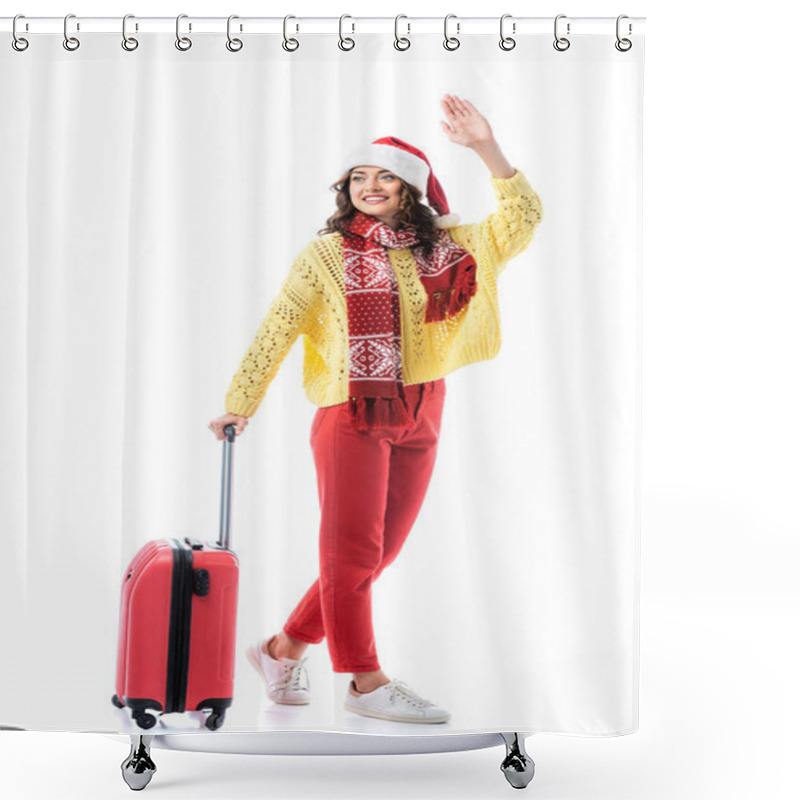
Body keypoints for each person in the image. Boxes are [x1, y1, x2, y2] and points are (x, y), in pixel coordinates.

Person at [209, 94, 543, 724]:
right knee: (351, 557)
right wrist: (238, 403)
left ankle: (282, 650)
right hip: (353, 414)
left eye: (384, 175)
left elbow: (522, 218)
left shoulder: (448, 246)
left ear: (411, 187)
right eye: (358, 177)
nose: (369, 186)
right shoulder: (326, 256)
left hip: (423, 407)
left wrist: (483, 147)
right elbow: (278, 327)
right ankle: (365, 682)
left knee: (377, 553)